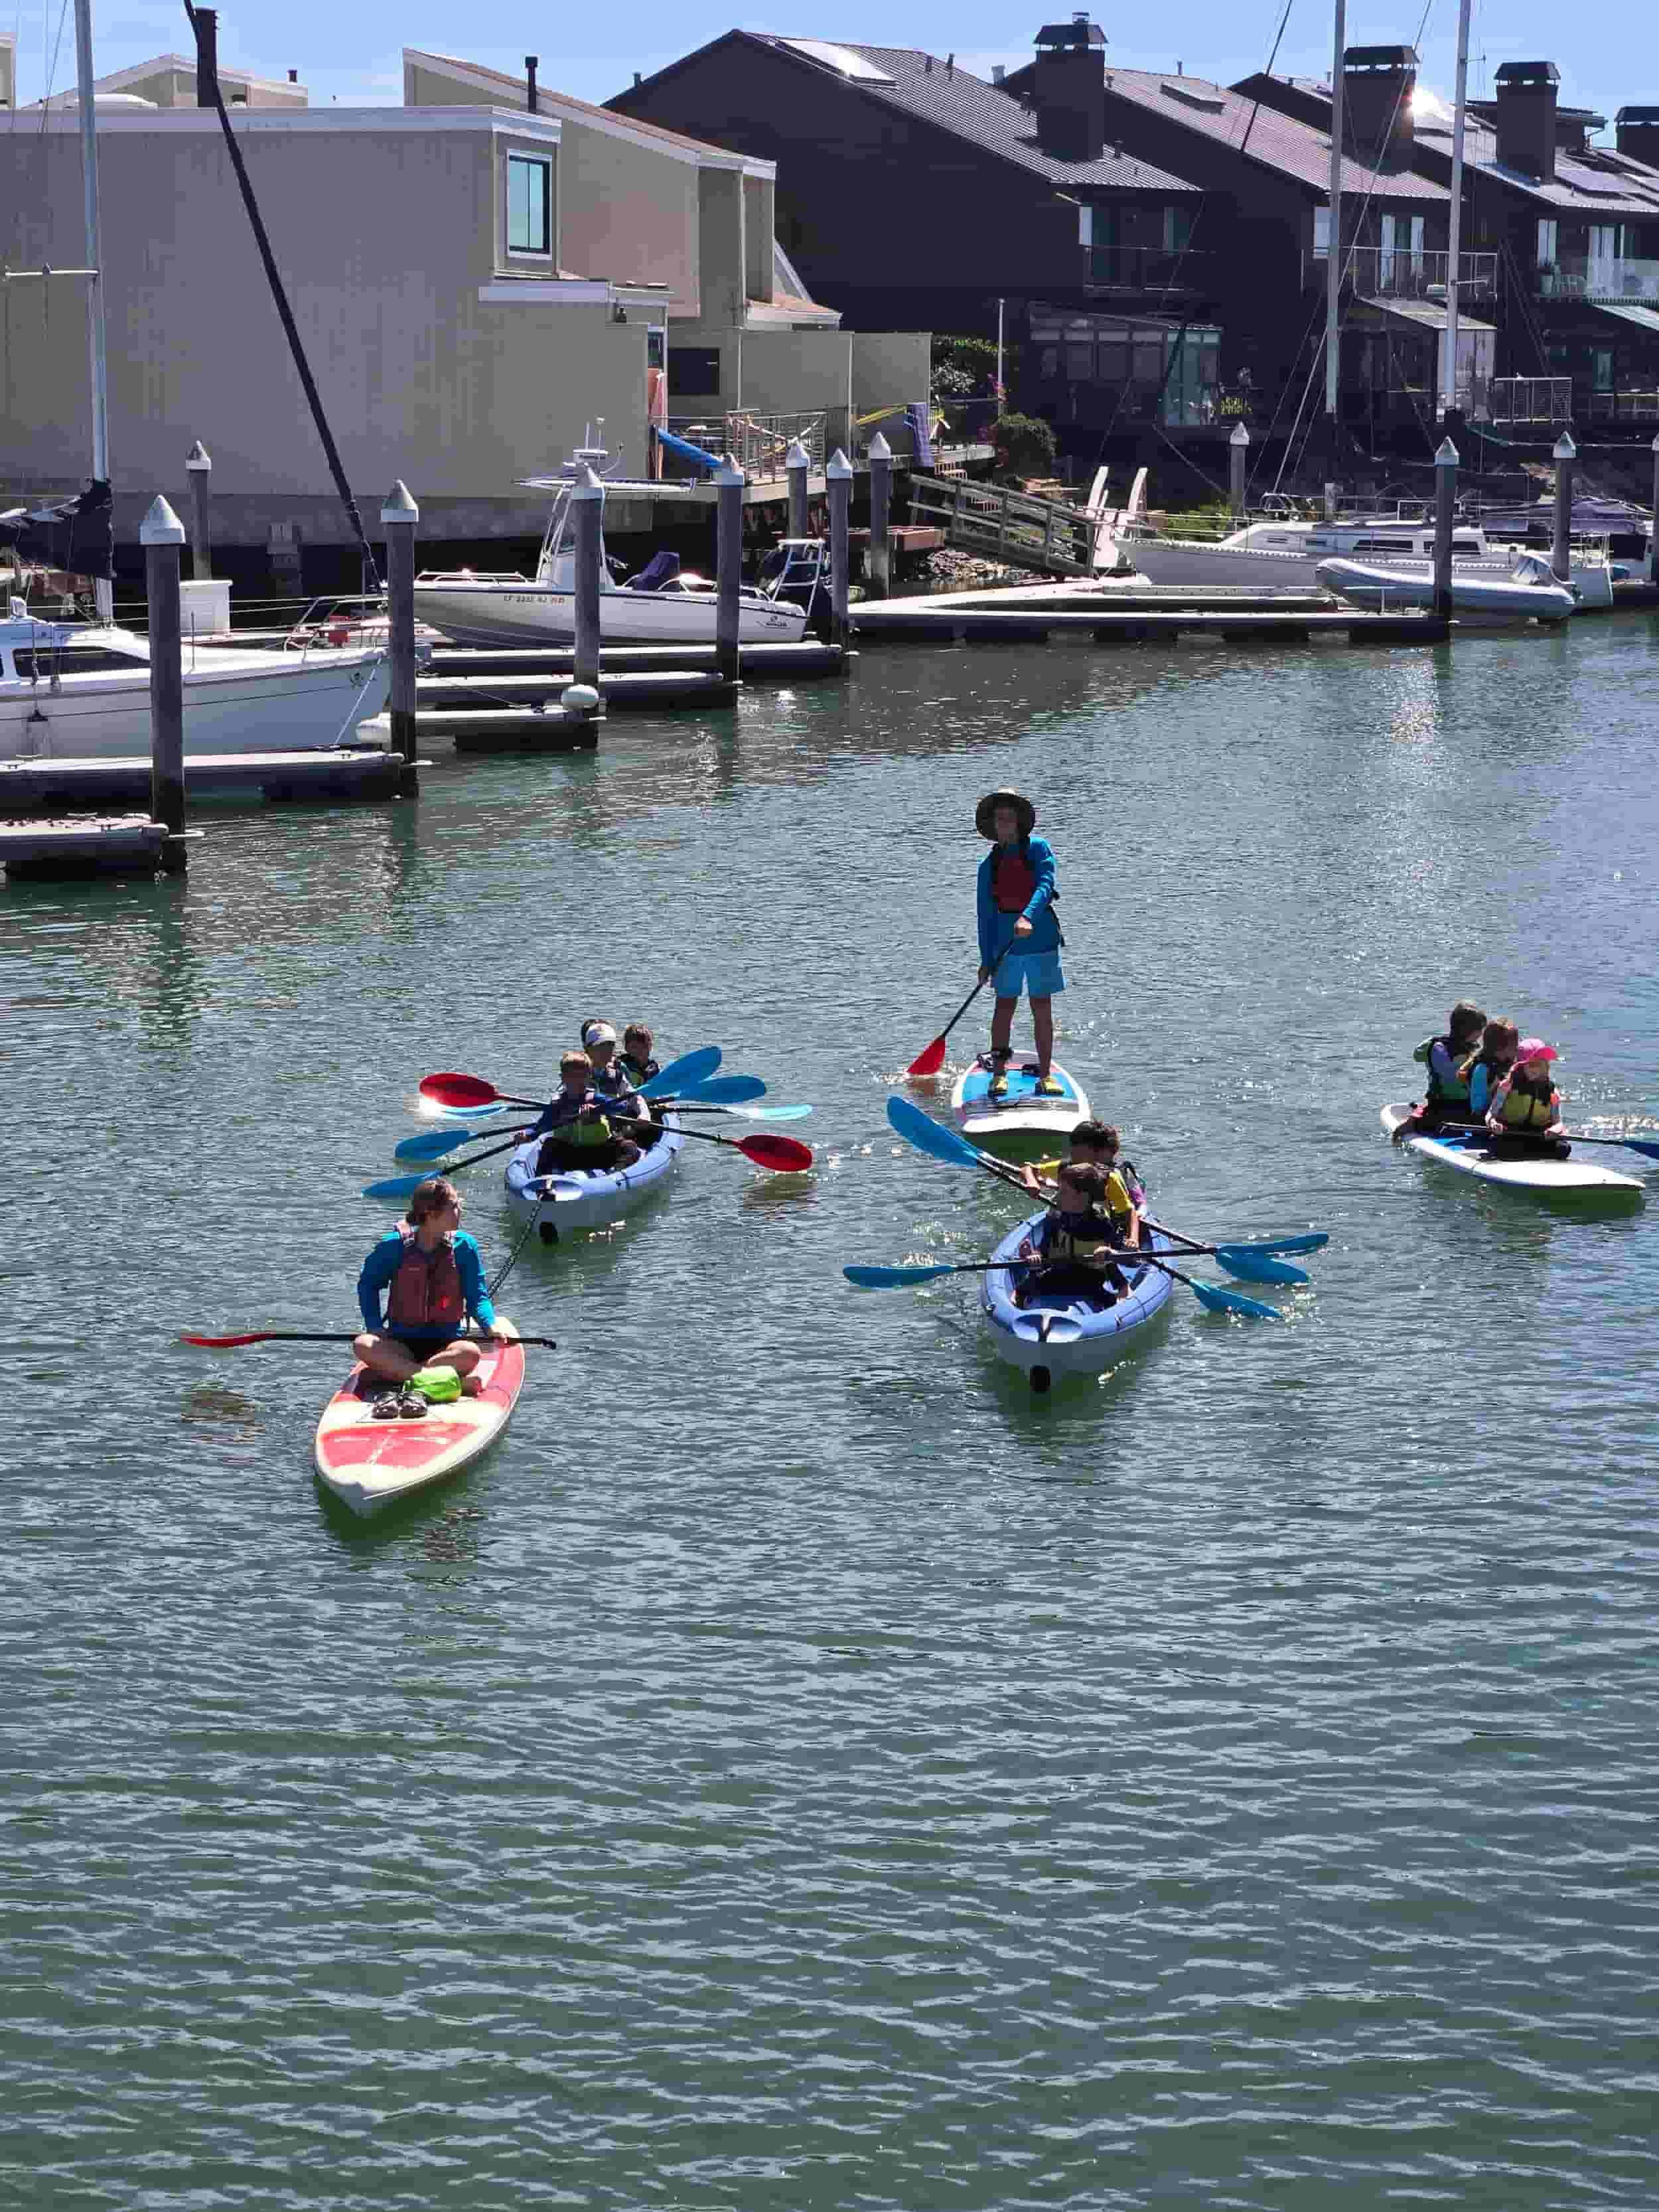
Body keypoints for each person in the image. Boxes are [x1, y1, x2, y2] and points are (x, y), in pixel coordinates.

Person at [354, 1177, 494, 1416]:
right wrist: (375, 1326)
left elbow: (478, 1295)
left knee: (471, 1353)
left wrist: (490, 1325)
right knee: (363, 1344)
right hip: (401, 1344)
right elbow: (368, 1285)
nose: (460, 1210)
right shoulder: (392, 1247)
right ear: (431, 1214)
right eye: (454, 1206)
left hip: (447, 1345)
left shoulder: (465, 1246)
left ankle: (397, 1376)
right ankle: (450, 1383)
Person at [974, 788, 1064, 1099]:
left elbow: (1045, 884)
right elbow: (985, 917)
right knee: (1004, 1006)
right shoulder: (988, 867)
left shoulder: (1038, 848)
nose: (1004, 824)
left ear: (1019, 822)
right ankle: (999, 1075)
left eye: (1009, 818)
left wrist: (1027, 916)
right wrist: (986, 960)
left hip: (1041, 940)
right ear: (993, 825)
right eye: (999, 819)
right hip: (1005, 947)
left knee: (1041, 1005)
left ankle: (1046, 1074)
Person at [1013, 1160, 1129, 1309]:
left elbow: (1123, 1257)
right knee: (1026, 1288)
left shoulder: (1100, 1221)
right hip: (1060, 1270)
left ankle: (1120, 1292)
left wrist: (1110, 1253)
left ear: (1083, 1196)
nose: (1057, 1197)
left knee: (1098, 1291)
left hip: (1090, 1277)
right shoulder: (1057, 1215)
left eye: (1064, 1192)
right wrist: (1034, 1256)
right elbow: (1045, 1247)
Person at [1020, 1120, 1144, 1250]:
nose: (1072, 1152)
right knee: (1054, 1212)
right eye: (1073, 1146)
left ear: (1097, 1152)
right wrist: (1032, 1182)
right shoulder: (1064, 1167)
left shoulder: (1110, 1178)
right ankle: (1041, 1251)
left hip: (1097, 1233)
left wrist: (1133, 1238)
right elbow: (1028, 1169)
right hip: (1065, 1226)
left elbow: (1129, 1212)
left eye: (1079, 1150)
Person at [532, 1049, 644, 1174]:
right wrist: (527, 1135)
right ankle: (541, 1181)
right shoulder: (557, 1104)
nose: (577, 1080)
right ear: (563, 1078)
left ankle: (618, 1174)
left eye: (582, 1076)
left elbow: (621, 1107)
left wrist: (597, 1109)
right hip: (570, 1154)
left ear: (589, 1077)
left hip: (599, 1152)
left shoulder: (595, 1098)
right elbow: (541, 1126)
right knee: (549, 1145)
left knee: (630, 1147)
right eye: (572, 1076)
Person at [1392, 999, 1487, 1142]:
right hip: (1445, 1104)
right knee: (1434, 1119)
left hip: (1465, 1104)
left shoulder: (1473, 1048)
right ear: (1469, 1031)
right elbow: (1451, 1075)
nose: (1481, 1034)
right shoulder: (1441, 1047)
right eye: (1480, 1030)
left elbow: (1418, 1055)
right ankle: (1412, 1123)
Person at [1486, 1038, 1568, 1155]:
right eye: (1530, 1065)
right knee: (1497, 1145)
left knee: (1563, 1149)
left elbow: (1558, 1123)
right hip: (1511, 1134)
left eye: (1539, 1064)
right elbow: (1490, 1115)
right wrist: (1493, 1124)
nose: (1535, 1069)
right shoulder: (1507, 1085)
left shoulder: (1552, 1091)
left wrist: (1555, 1130)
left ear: (1545, 1066)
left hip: (1539, 1136)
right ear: (1521, 1066)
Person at [579, 1019, 649, 1123]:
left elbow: (634, 1097)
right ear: (587, 1049)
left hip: (611, 1129)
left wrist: (644, 1114)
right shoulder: (576, 1073)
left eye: (610, 1046)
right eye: (601, 1046)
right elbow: (560, 1098)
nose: (607, 1051)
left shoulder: (617, 1075)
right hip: (582, 1128)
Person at [1459, 1016, 1520, 1121]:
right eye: (1515, 1044)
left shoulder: (1509, 1065)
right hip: (1484, 1120)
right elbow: (1477, 1107)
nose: (1518, 1047)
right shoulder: (1483, 1070)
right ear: (1501, 1047)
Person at [618, 1024, 660, 1088]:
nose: (640, 1050)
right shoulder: (620, 1063)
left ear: (650, 1046)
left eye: (644, 1046)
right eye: (635, 1047)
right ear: (626, 1048)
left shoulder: (654, 1068)